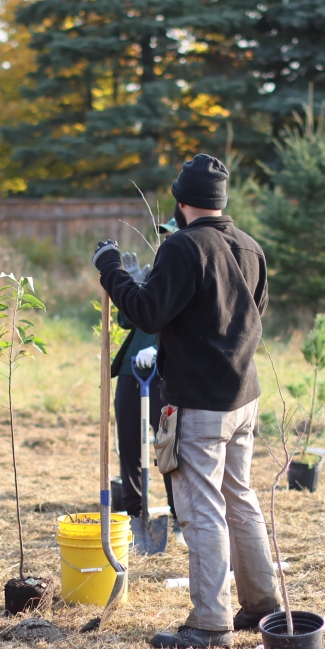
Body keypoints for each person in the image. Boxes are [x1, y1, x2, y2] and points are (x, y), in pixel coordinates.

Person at [92, 154, 281, 649]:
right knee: (240, 500)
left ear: (180, 204)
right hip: (243, 398)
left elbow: (145, 312)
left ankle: (210, 623)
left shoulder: (183, 247)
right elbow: (254, 313)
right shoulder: (251, 248)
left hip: (200, 405)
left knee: (202, 510)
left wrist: (110, 267)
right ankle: (263, 605)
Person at [110, 221, 178, 520]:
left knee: (167, 446)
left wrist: (159, 348)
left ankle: (179, 512)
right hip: (131, 370)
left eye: (172, 234)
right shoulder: (158, 273)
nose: (167, 240)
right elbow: (127, 321)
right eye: (164, 235)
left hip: (165, 374)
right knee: (129, 445)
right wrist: (136, 288)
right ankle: (135, 513)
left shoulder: (192, 273)